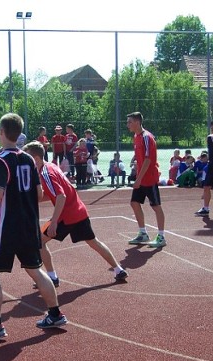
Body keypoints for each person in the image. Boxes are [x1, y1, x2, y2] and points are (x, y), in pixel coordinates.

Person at [0, 113, 68, 342]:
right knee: (35, 269)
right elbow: (39, 193)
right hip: (28, 224)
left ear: (2, 132)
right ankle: (54, 313)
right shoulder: (29, 160)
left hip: (5, 226)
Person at [24, 141, 128, 284]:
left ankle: (52, 277)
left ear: (35, 159)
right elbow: (53, 194)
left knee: (39, 242)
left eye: (27, 158)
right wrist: (33, 200)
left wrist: (54, 221)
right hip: (79, 211)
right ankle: (118, 269)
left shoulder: (45, 174)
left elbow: (61, 196)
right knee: (94, 242)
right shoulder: (51, 166)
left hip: (66, 217)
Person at [126, 112, 167, 248]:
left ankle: (161, 236)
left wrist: (139, 178)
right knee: (134, 203)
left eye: (130, 122)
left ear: (137, 122)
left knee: (156, 206)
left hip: (149, 178)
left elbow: (149, 160)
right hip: (141, 178)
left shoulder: (147, 137)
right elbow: (141, 156)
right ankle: (143, 233)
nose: (128, 125)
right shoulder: (136, 137)